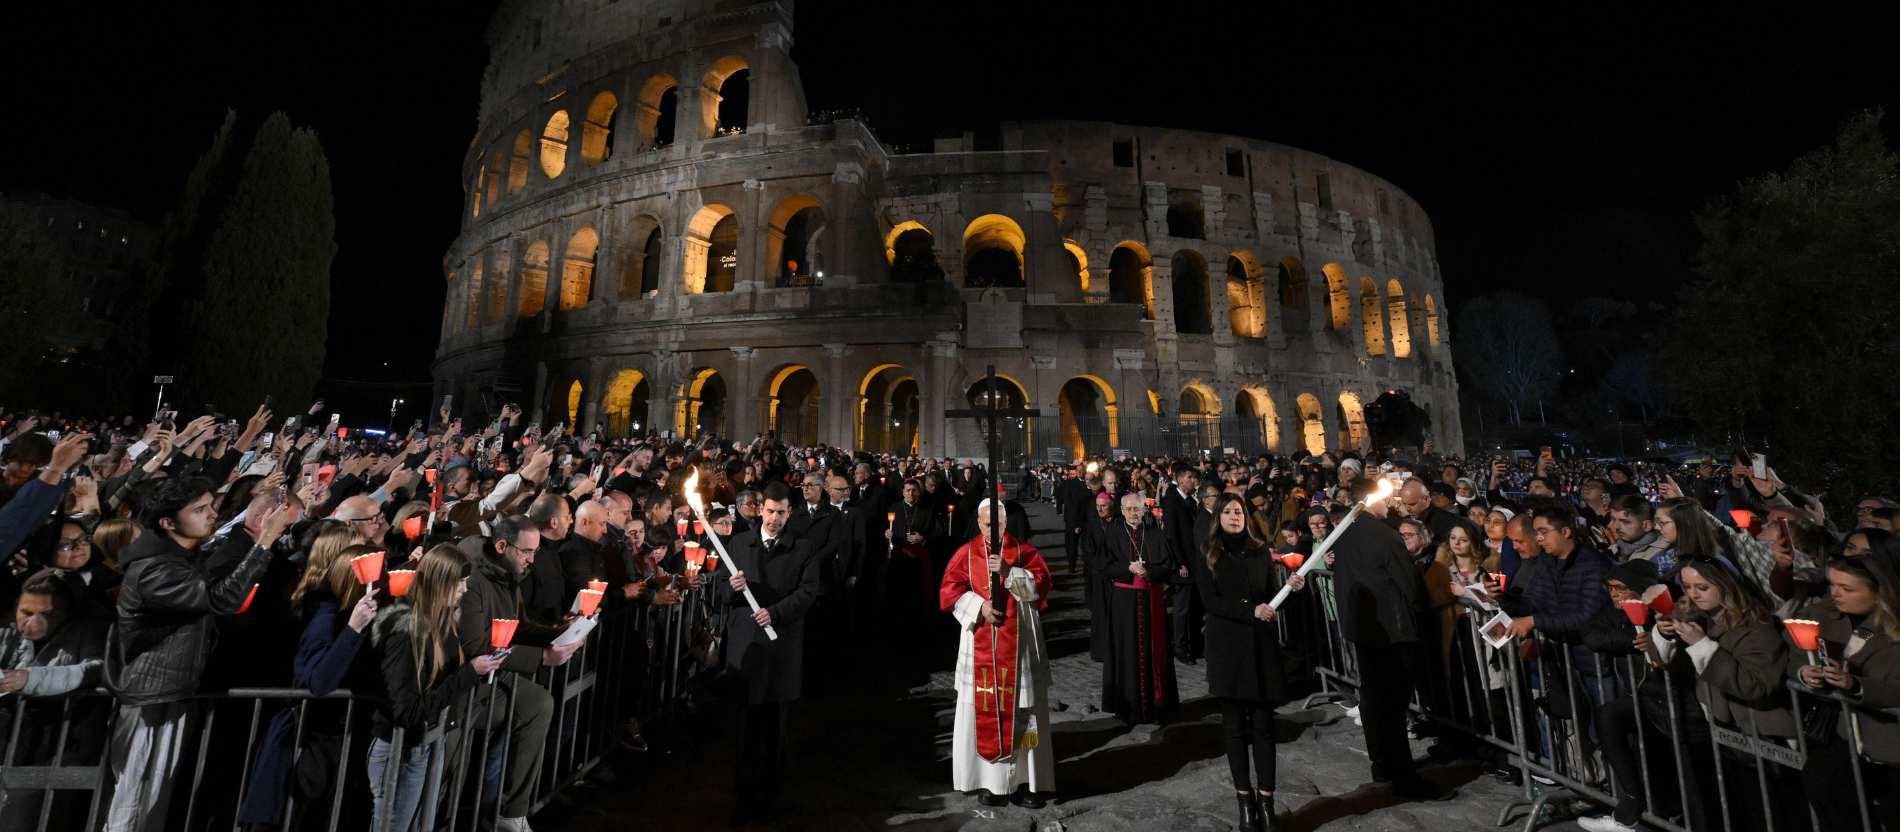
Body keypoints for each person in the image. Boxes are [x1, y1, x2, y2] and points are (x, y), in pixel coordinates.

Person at [105, 476, 294, 832]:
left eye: (211, 506)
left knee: (155, 804)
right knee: (133, 802)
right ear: (167, 522)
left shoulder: (182, 557)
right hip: (150, 699)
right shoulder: (155, 568)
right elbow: (223, 599)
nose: (213, 515)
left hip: (172, 692)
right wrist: (266, 538)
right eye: (200, 509)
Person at [1328, 485, 1454, 801]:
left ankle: (1381, 764)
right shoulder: (1385, 536)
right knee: (1392, 707)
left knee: (1373, 701)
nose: (1391, 504)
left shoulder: (1345, 533)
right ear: (1373, 501)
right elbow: (1410, 587)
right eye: (1387, 499)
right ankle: (1404, 778)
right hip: (1393, 633)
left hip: (1364, 631)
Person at [366, 544, 502, 832]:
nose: (465, 590)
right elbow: (407, 710)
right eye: (459, 583)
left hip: (425, 743)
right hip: (401, 750)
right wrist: (470, 673)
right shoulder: (405, 633)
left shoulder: (443, 621)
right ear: (439, 583)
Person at [458, 514, 576, 830]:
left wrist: (555, 633)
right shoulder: (472, 580)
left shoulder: (508, 575)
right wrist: (541, 659)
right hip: (468, 681)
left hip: (498, 672)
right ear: (501, 545)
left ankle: (511, 811)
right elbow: (477, 642)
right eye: (526, 552)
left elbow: (515, 625)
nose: (532, 560)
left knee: (539, 703)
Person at [1198, 494, 1304, 832]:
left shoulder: (1260, 551)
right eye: (1227, 511)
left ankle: (1267, 802)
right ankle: (1245, 803)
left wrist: (1290, 589)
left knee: (1263, 727)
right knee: (1234, 729)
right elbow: (1210, 601)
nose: (1234, 516)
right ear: (1218, 517)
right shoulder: (1208, 553)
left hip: (1260, 649)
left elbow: (1271, 601)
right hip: (1227, 649)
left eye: (1239, 511)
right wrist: (1249, 610)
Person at [940, 497, 1054, 808]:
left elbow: (1041, 587)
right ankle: (988, 782)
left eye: (999, 523)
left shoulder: (1024, 551)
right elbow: (950, 591)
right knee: (983, 707)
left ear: (1006, 523)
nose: (993, 528)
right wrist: (980, 607)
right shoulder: (965, 554)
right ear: (979, 523)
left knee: (1021, 710)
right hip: (981, 640)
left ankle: (1027, 782)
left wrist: (1009, 571)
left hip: (1019, 646)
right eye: (987, 523)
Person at [724, 481, 822, 824]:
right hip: (746, 649)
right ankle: (743, 795)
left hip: (781, 649)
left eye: (781, 513)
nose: (775, 518)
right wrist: (732, 588)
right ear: (759, 508)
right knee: (745, 728)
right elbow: (720, 591)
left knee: (774, 728)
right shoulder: (738, 544)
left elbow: (808, 592)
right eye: (769, 511)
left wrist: (776, 612)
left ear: (789, 512)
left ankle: (771, 797)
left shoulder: (804, 549)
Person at [1791, 555, 1900, 829]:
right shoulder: (1822, 612)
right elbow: (1789, 650)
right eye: (1832, 584)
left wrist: (1856, 685)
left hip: (1890, 747)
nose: (1835, 593)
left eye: (1847, 589)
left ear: (1879, 591)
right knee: (1821, 778)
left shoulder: (1893, 629)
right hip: (1850, 741)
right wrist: (1805, 672)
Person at [1094, 492, 1178, 725]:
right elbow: (1102, 565)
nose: (1133, 512)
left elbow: (1168, 564)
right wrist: (1127, 568)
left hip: (1151, 601)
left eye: (1137, 508)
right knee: (1126, 651)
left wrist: (1149, 570)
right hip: (1124, 603)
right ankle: (1127, 707)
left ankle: (1157, 704)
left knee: (1155, 650)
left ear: (1144, 510)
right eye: (1128, 508)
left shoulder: (1155, 534)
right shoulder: (1112, 534)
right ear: (1121, 510)